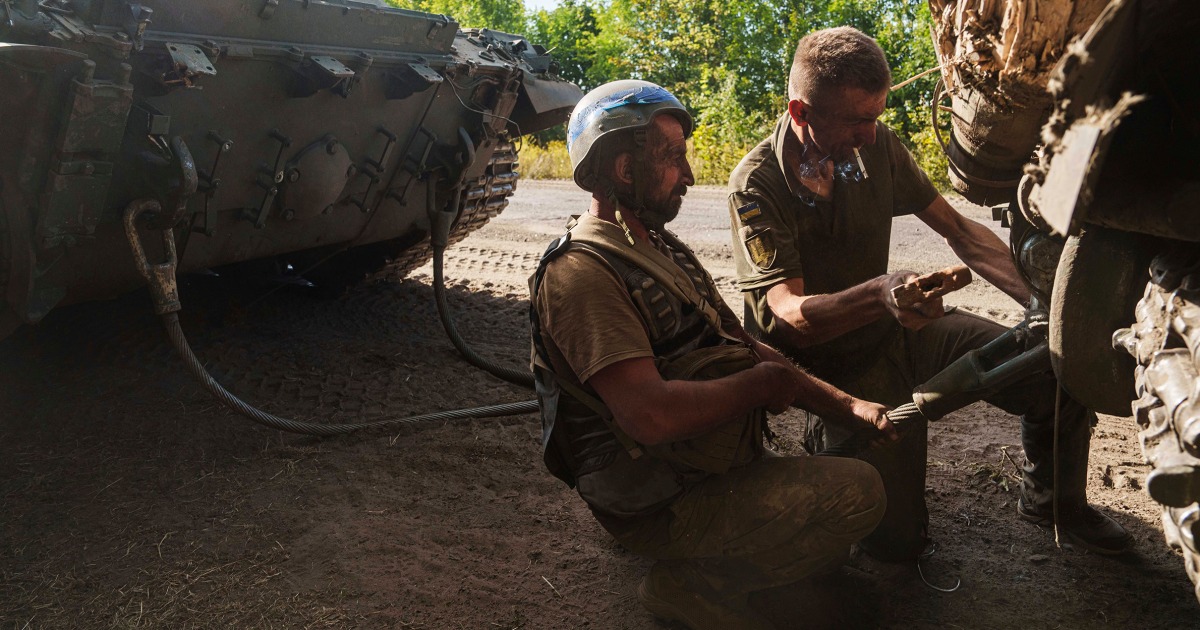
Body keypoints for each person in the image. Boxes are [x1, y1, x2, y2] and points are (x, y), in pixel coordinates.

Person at [726, 26, 1131, 560]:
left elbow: (960, 232)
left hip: (896, 327)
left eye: (876, 115)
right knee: (896, 547)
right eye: (856, 120)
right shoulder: (756, 185)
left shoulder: (877, 148)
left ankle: (1055, 503)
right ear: (801, 113)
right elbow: (787, 317)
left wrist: (1047, 306)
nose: (871, 134)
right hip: (827, 364)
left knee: (1053, 366)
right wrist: (880, 294)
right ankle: (824, 432)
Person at [529, 79, 892, 630]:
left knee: (829, 545)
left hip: (694, 466)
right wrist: (757, 388)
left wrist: (851, 408)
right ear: (625, 170)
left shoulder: (659, 247)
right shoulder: (582, 274)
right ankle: (686, 585)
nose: (690, 174)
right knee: (857, 497)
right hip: (655, 499)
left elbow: (745, 345)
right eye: (672, 158)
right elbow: (649, 416)